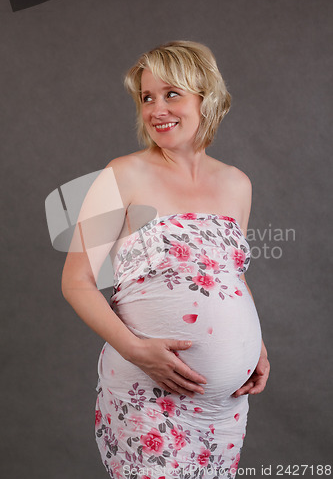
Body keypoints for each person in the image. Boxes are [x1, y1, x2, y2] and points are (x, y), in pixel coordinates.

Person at [61, 40, 270, 479]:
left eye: (171, 93)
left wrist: (257, 347)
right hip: (147, 394)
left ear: (205, 97)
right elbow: (76, 280)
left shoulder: (237, 184)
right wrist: (136, 350)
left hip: (224, 408)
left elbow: (228, 274)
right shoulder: (123, 174)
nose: (157, 109)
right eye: (146, 97)